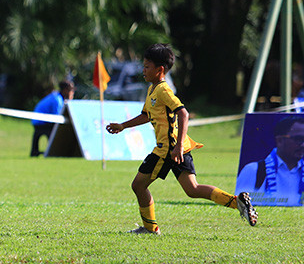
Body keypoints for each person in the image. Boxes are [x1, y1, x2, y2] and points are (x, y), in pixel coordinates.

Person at [106, 43, 257, 234]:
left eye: (147, 67)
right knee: (192, 189)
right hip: (178, 148)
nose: (143, 70)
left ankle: (150, 228)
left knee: (138, 185)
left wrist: (176, 147)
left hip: (168, 149)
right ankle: (238, 202)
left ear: (160, 70)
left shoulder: (163, 90)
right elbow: (146, 115)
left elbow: (183, 114)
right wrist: (123, 126)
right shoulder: (152, 89)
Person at [235, 116, 304, 206]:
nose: (303, 145)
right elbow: (241, 205)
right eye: (298, 139)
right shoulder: (253, 170)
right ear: (279, 140)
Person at [30, 80, 74, 157]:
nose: (72, 92)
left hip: (43, 121)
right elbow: (57, 117)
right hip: (40, 122)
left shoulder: (58, 97)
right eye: (70, 90)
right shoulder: (57, 100)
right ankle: (55, 152)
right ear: (65, 90)